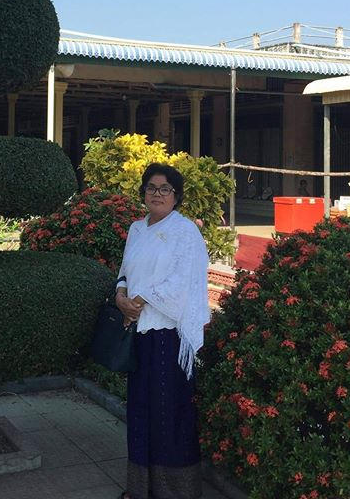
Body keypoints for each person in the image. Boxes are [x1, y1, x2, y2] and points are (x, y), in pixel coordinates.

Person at [115, 163, 210, 499]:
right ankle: (141, 489)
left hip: (170, 336)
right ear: (143, 192)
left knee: (169, 413)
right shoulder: (136, 229)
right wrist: (121, 296)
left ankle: (174, 492)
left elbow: (182, 282)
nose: (157, 194)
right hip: (140, 333)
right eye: (151, 187)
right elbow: (124, 271)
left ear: (176, 196)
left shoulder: (185, 232)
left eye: (165, 188)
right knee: (140, 410)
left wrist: (139, 299)